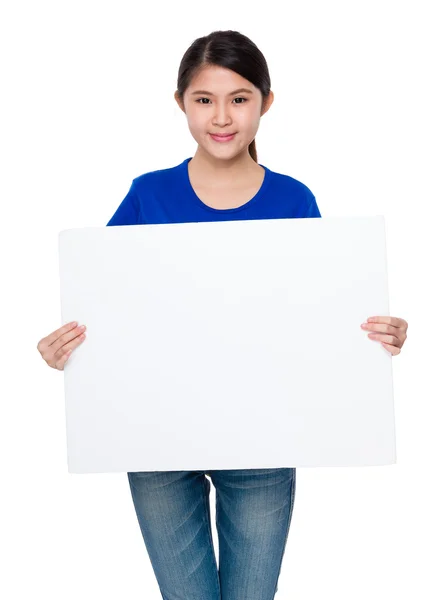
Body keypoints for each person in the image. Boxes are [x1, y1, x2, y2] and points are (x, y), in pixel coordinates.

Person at [37, 30, 409, 600]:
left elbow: (321, 315)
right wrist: (66, 349)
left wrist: (378, 334)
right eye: (204, 99)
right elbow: (106, 305)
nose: (222, 117)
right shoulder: (147, 195)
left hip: (264, 437)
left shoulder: (293, 201)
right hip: (157, 438)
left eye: (239, 98)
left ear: (266, 102)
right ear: (181, 103)